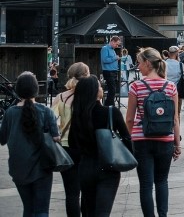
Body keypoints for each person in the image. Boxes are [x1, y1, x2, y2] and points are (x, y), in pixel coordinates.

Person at [127, 48, 180, 217]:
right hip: (165, 139)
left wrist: (127, 141)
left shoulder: (136, 86)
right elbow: (175, 118)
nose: (138, 66)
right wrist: (177, 144)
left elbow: (129, 118)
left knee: (145, 184)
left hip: (141, 139)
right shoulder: (170, 86)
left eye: (140, 63)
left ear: (148, 63)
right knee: (162, 181)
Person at [70, 75, 132, 217]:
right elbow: (127, 139)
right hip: (108, 167)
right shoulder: (111, 113)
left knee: (89, 210)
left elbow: (73, 144)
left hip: (86, 166)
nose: (101, 88)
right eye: (99, 86)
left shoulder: (78, 115)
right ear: (94, 91)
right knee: (103, 212)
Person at [0, 72, 59, 216]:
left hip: (18, 167)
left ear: (17, 90)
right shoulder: (46, 111)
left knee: (28, 208)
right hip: (42, 167)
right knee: (41, 210)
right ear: (36, 90)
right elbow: (56, 138)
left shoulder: (10, 113)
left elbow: (2, 139)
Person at [52, 61, 91, 217]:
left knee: (71, 192)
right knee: (87, 190)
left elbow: (51, 121)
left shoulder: (61, 97)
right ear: (87, 76)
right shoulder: (91, 97)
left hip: (66, 147)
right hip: (87, 148)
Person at [100, 35, 122, 107]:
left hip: (113, 71)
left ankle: (109, 104)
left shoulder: (113, 50)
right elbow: (105, 60)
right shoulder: (105, 48)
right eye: (116, 44)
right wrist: (115, 58)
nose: (117, 46)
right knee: (112, 89)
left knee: (113, 89)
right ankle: (109, 105)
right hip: (108, 71)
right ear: (112, 41)